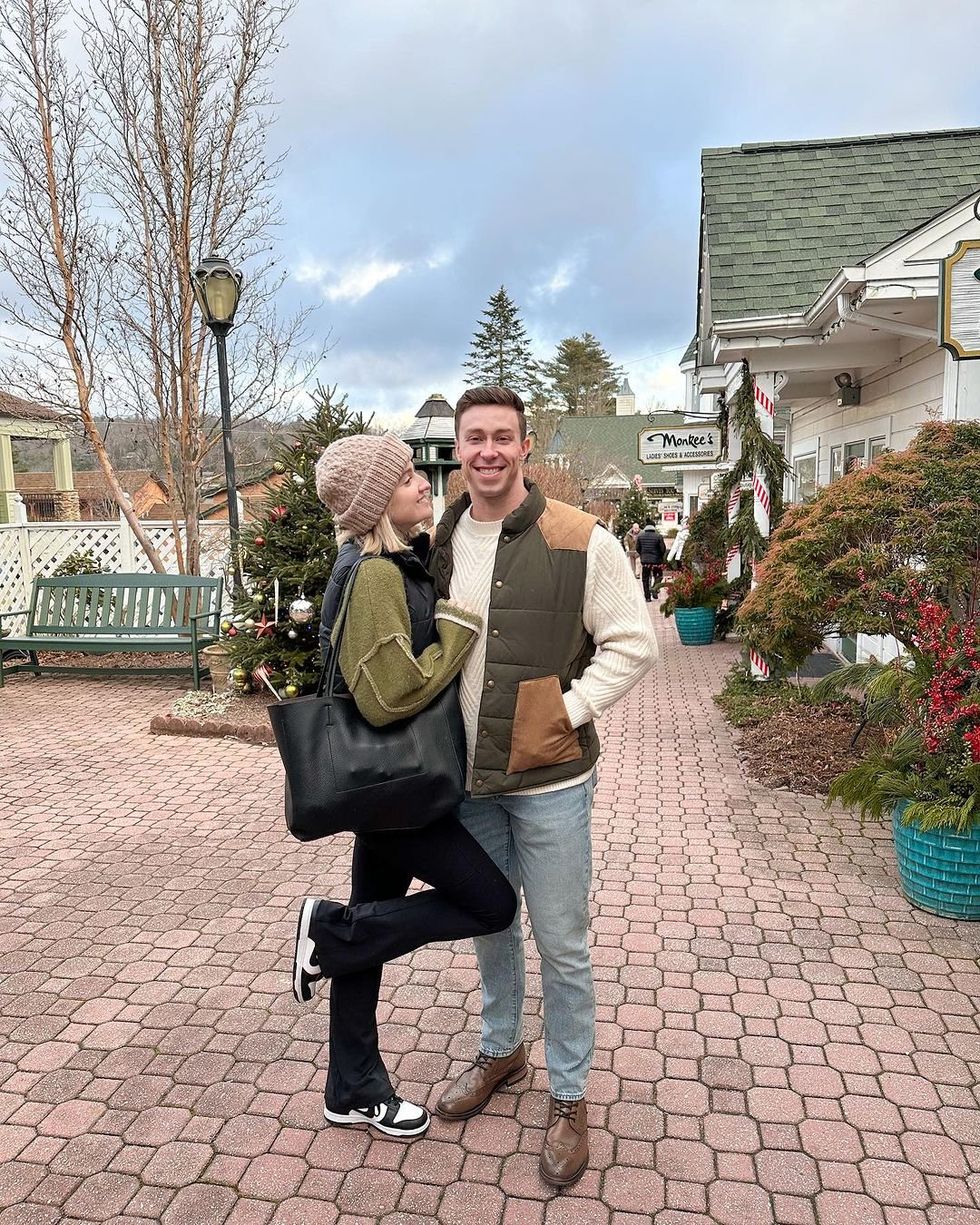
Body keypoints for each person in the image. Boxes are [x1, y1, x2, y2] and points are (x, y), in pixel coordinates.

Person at [428, 387, 658, 1186]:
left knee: (561, 939)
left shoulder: (579, 538)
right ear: (459, 449)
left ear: (526, 445)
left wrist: (567, 710)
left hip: (552, 775)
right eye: (474, 439)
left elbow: (635, 643)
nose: (487, 451)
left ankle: (569, 1093)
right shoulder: (444, 534)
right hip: (468, 775)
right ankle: (503, 1050)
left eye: (502, 437)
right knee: (491, 919)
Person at [291, 431, 517, 1141]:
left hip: (386, 791)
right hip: (403, 790)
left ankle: (352, 1085)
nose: (424, 481)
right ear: (374, 501)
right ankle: (329, 932)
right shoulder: (377, 575)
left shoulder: (384, 561)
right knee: (490, 900)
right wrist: (455, 632)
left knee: (372, 934)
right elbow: (387, 695)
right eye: (408, 475)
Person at [637, 521, 667, 601]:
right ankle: (654, 588)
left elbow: (637, 548)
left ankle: (647, 597)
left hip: (645, 562)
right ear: (654, 527)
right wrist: (660, 557)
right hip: (656, 561)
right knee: (659, 575)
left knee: (645, 579)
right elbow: (663, 549)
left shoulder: (640, 536)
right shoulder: (658, 536)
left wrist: (643, 555)